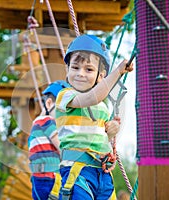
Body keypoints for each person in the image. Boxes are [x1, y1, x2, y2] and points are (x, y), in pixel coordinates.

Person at [55, 34, 134, 199]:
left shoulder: (103, 106)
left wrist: (112, 130)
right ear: (67, 70)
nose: (80, 74)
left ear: (100, 76)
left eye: (88, 69)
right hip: (78, 170)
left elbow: (102, 137)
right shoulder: (66, 95)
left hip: (102, 172)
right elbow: (91, 97)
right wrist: (117, 72)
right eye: (75, 68)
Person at [28, 80, 70, 200]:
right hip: (49, 178)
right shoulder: (47, 121)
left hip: (38, 177)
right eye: (62, 110)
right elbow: (61, 147)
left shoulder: (36, 124)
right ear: (49, 103)